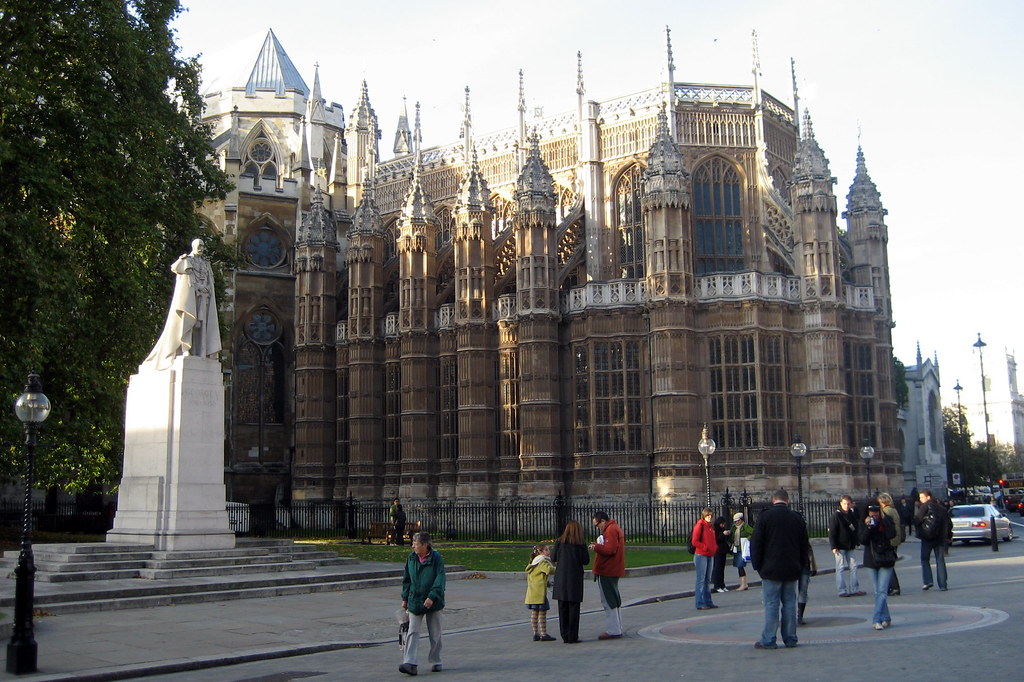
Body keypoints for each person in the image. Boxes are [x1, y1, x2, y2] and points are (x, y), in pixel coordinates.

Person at [144, 238, 221, 369]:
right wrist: (181, 260)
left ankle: (201, 352)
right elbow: (175, 268)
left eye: (202, 246)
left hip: (204, 296)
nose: (201, 248)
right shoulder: (187, 260)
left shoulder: (206, 264)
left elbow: (209, 280)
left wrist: (206, 288)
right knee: (188, 321)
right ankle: (186, 349)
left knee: (202, 325)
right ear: (193, 246)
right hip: (191, 297)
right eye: (198, 246)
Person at [750, 489, 809, 649]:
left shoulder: (765, 517)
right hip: (792, 569)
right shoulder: (797, 518)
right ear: (787, 501)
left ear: (773, 500)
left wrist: (757, 566)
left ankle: (769, 639)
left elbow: (756, 544)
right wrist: (801, 564)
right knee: (790, 604)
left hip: (770, 569)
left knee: (771, 604)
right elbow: (805, 545)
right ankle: (790, 638)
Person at [400, 532, 445, 675]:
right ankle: (409, 662)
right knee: (412, 631)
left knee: (435, 633)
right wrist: (405, 597)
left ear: (425, 545)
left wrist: (432, 596)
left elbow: (440, 579)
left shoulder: (436, 558)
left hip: (433, 600)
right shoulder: (411, 558)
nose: (413, 545)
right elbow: (406, 579)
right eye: (413, 543)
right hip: (415, 598)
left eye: (416, 543)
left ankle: (436, 660)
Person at [858, 504, 897, 630]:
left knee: (882, 591)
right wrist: (869, 527)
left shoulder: (886, 521)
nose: (873, 515)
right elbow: (863, 540)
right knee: (877, 592)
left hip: (885, 558)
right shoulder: (864, 523)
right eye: (871, 513)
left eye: (876, 512)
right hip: (871, 559)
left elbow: (892, 534)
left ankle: (876, 619)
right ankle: (886, 617)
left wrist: (884, 521)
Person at [551, 520, 590, 644]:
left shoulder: (559, 542)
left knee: (562, 608)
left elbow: (553, 558)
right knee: (574, 608)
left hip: (561, 577)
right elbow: (586, 560)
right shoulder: (580, 544)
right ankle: (573, 636)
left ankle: (565, 634)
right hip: (575, 578)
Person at [589, 511, 625, 639]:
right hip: (613, 569)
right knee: (614, 598)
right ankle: (618, 627)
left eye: (597, 524)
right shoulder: (615, 528)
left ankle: (613, 630)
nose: (597, 527)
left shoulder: (610, 530)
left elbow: (610, 550)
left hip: (607, 570)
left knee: (608, 600)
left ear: (603, 521)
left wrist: (596, 547)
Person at [914, 488, 952, 591]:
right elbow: (949, 524)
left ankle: (928, 581)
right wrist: (949, 536)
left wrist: (920, 530)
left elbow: (917, 520)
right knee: (940, 560)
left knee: (925, 559)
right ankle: (943, 584)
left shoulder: (924, 507)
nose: (921, 499)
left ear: (928, 497)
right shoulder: (942, 508)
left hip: (927, 537)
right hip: (940, 538)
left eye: (922, 497)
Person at [828, 495, 864, 597]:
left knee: (854, 567)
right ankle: (842, 590)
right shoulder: (836, 515)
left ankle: (854, 588)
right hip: (840, 545)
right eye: (845, 504)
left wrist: (856, 541)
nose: (846, 506)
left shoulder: (851, 514)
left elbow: (855, 528)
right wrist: (833, 546)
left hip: (850, 545)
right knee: (840, 568)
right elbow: (832, 532)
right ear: (841, 504)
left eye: (848, 504)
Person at [524, 544, 556, 641]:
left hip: (532, 592)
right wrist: (558, 567)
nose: (548, 551)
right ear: (541, 552)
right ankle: (544, 633)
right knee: (542, 613)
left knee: (534, 613)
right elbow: (549, 570)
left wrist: (547, 583)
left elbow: (538, 577)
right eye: (546, 550)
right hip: (540, 593)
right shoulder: (542, 561)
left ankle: (535, 633)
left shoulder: (533, 563)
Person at [690, 508, 718, 610]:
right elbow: (695, 541)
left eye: (711, 515)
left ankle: (708, 601)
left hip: (710, 555)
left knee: (707, 580)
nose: (709, 517)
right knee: (700, 580)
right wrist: (705, 547)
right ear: (704, 516)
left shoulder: (711, 527)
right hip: (701, 555)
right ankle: (700, 603)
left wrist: (714, 547)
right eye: (707, 515)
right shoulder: (700, 525)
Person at [878, 493, 904, 595]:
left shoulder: (886, 511)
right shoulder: (894, 510)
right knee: (889, 564)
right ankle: (892, 586)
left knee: (888, 565)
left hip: (890, 540)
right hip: (895, 539)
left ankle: (894, 587)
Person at [730, 512, 753, 591]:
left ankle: (744, 584)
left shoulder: (745, 526)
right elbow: (731, 534)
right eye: (735, 521)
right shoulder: (734, 527)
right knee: (738, 566)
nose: (736, 522)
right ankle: (743, 584)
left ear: (741, 520)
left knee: (740, 566)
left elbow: (753, 533)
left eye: (738, 521)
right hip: (737, 548)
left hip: (743, 548)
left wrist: (748, 538)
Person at [796, 537, 817, 625]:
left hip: (804, 565)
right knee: (790, 592)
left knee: (803, 591)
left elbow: (809, 550)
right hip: (791, 566)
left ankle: (800, 616)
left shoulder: (802, 530)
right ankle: (792, 616)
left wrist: (813, 566)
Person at [711, 514, 731, 593]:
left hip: (723, 550)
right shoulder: (715, 529)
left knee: (722, 569)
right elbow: (716, 539)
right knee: (717, 568)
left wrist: (727, 534)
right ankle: (717, 585)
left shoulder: (722, 529)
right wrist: (723, 534)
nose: (723, 525)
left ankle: (722, 585)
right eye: (722, 524)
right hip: (717, 550)